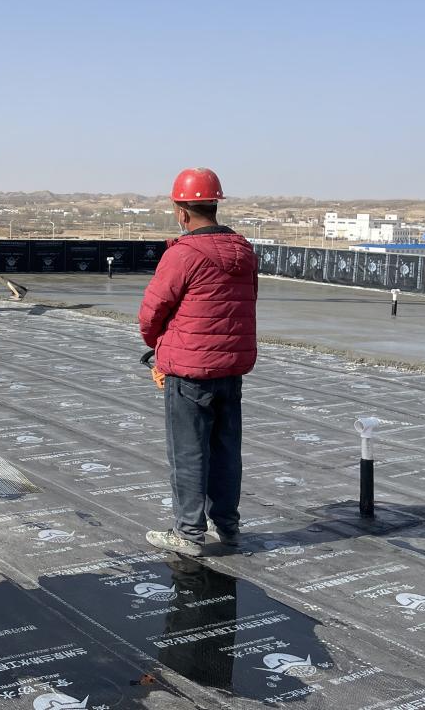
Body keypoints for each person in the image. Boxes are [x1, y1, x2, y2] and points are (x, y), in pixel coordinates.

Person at [138, 167, 258, 557]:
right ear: (215, 205)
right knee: (226, 451)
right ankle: (227, 527)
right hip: (231, 370)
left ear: (182, 212)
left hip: (189, 374)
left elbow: (151, 314)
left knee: (188, 452)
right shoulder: (243, 251)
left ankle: (188, 533)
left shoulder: (183, 254)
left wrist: (159, 349)